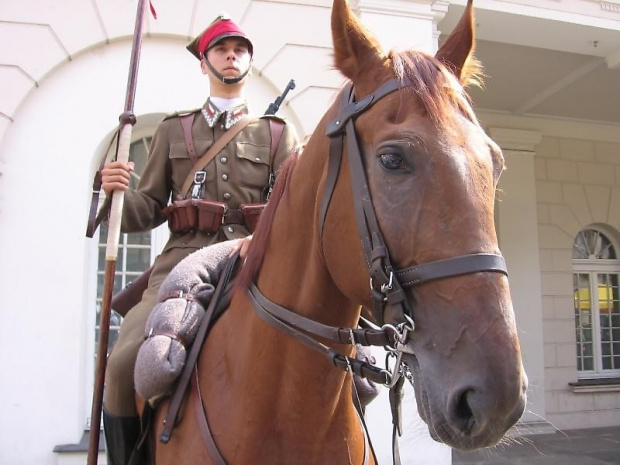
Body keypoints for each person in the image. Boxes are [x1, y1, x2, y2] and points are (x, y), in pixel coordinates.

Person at [99, 14, 298, 465]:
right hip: (180, 264)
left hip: (252, 261)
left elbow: (291, 215)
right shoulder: (174, 129)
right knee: (122, 363)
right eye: (223, 49)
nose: (233, 55)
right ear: (204, 61)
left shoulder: (277, 134)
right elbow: (144, 210)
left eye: (241, 49)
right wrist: (114, 193)